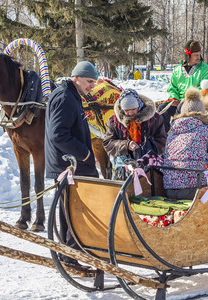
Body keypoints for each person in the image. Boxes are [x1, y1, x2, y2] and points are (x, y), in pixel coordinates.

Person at [45, 61, 99, 264]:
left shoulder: (71, 95)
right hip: (69, 166)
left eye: (93, 82)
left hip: (72, 165)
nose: (91, 86)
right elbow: (58, 135)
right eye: (88, 81)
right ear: (76, 77)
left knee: (70, 209)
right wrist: (84, 153)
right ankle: (71, 253)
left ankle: (70, 252)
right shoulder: (65, 97)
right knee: (74, 210)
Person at [163, 87, 208, 200]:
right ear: (201, 112)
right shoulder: (205, 129)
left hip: (169, 186)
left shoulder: (173, 130)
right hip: (194, 188)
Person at [103, 88, 166, 179]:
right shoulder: (114, 122)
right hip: (124, 166)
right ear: (121, 109)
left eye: (133, 109)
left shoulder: (154, 119)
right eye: (126, 110)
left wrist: (146, 148)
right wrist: (126, 145)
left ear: (139, 105)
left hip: (150, 162)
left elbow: (162, 140)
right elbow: (108, 143)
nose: (130, 113)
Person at [159, 40, 208, 132]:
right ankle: (164, 137)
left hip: (195, 102)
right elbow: (173, 87)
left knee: (181, 109)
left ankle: (177, 134)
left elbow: (205, 88)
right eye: (196, 55)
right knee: (162, 109)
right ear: (189, 55)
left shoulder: (205, 69)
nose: (198, 57)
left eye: (199, 54)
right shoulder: (178, 69)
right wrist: (174, 99)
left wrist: (188, 98)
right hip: (179, 101)